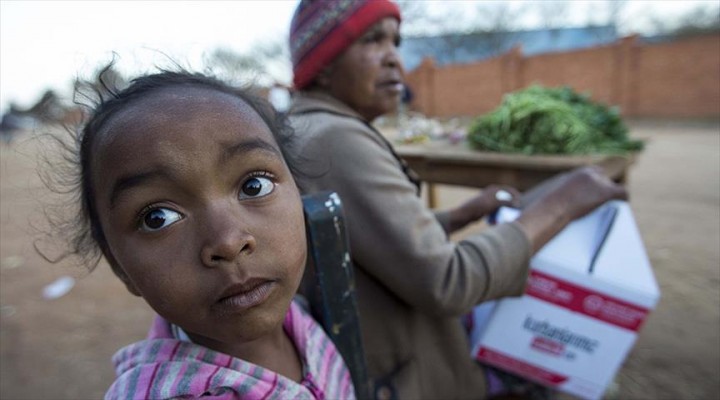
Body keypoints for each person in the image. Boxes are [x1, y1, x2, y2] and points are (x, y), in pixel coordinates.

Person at [286, 1, 628, 399]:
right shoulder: (336, 139)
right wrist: (563, 203)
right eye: (372, 40)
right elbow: (448, 281)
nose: (395, 59)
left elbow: (367, 238)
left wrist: (456, 216)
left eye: (396, 42)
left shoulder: (308, 125)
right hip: (414, 374)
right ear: (323, 63)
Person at [40, 68, 355, 399]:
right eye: (157, 218)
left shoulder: (302, 316)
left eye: (254, 185)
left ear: (296, 188)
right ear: (120, 267)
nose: (229, 242)